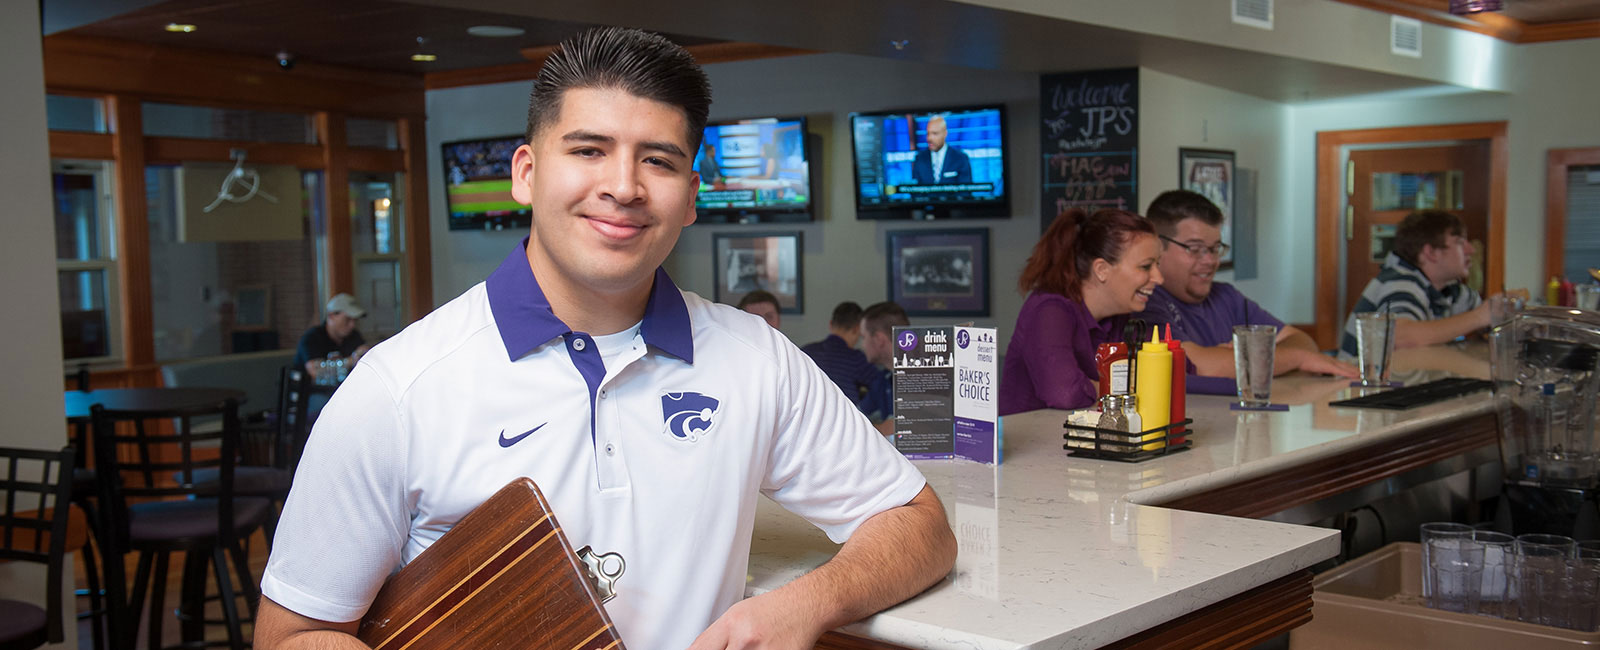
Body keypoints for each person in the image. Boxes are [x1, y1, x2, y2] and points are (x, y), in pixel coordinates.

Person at [255, 27, 954, 650]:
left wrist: (803, 604)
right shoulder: (399, 388)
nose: (623, 186)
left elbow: (918, 526)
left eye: (658, 160)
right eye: (589, 150)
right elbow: (294, 633)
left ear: (691, 194)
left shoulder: (757, 359)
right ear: (526, 174)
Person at [1134, 190, 1356, 391]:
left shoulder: (1226, 297)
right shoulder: (1145, 301)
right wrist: (1295, 359)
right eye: (1195, 249)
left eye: (1215, 249)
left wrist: (1240, 359)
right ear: (1158, 247)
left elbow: (1301, 341)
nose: (1210, 260)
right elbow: (1200, 366)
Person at [999, 208, 1162, 415]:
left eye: (1158, 265)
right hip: (1036, 444)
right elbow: (1064, 392)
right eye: (1146, 267)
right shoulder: (1049, 311)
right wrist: (1122, 385)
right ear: (1101, 270)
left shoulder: (1119, 315)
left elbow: (1167, 370)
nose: (1159, 278)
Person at [1337, 209, 1495, 360]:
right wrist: (1480, 316)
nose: (1471, 250)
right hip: (1358, 385)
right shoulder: (1399, 281)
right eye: (1460, 243)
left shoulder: (1450, 290)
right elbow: (1401, 338)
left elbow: (1489, 322)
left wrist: (1501, 313)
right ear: (1431, 253)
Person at [800, 301, 882, 407]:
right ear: (857, 329)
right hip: (843, 417)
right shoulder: (856, 359)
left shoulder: (806, 351)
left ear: (830, 324)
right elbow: (880, 385)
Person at [291, 293, 372, 380]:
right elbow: (315, 373)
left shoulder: (354, 336)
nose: (352, 325)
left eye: (354, 320)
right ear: (331, 316)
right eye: (347, 319)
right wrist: (351, 361)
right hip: (312, 390)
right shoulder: (312, 337)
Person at [857, 301, 909, 429]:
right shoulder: (883, 378)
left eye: (863, 337)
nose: (861, 345)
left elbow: (906, 427)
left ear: (879, 339)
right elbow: (857, 417)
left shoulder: (924, 377)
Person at [910, 115, 972, 186]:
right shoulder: (919, 159)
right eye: (928, 133)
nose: (929, 138)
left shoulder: (960, 158)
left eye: (935, 133)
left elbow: (966, 192)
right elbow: (915, 191)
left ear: (945, 134)